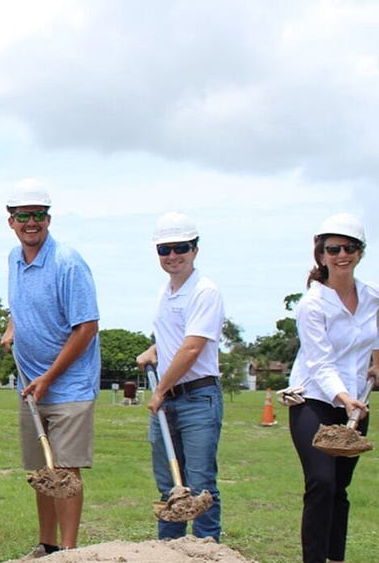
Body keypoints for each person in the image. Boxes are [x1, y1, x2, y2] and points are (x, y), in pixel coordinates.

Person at [1, 179, 99, 557]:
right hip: (32, 385)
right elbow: (22, 304)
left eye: (38, 216)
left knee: (65, 472)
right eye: (23, 216)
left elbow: (87, 326)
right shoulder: (14, 259)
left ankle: (70, 552)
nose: (31, 223)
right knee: (43, 473)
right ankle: (47, 546)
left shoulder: (68, 263)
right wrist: (13, 326)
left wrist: (50, 377)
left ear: (49, 219)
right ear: (11, 221)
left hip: (68, 386)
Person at [286, 213, 379, 563]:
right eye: (333, 249)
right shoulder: (312, 304)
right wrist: (344, 398)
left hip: (357, 401)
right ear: (321, 254)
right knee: (321, 483)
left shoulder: (373, 295)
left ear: (360, 252)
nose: (342, 255)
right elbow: (319, 362)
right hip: (314, 399)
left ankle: (335, 558)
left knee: (340, 488)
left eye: (350, 247)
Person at [135, 212, 225, 541]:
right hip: (170, 400)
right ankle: (168, 550)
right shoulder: (168, 291)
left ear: (195, 249)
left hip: (198, 399)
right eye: (164, 249)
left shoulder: (205, 291)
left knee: (200, 486)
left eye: (180, 248)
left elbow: (191, 348)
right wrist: (154, 350)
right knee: (169, 485)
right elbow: (174, 339)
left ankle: (206, 551)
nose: (172, 256)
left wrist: (159, 389)